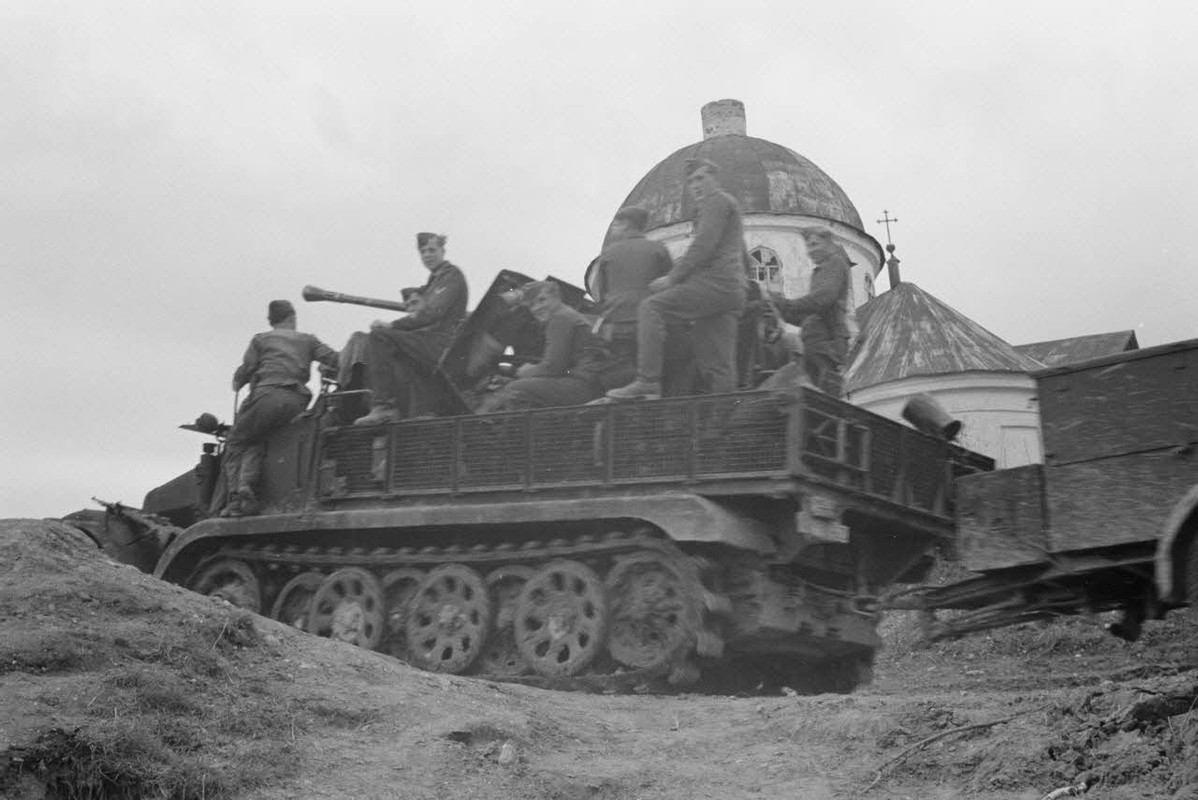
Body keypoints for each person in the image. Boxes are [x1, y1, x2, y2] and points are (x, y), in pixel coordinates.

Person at [606, 158, 746, 400]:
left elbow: (704, 246)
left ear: (714, 177)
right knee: (718, 365)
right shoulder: (728, 207)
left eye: (701, 178)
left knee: (651, 307)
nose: (695, 185)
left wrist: (672, 278)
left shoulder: (715, 201)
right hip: (730, 291)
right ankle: (723, 424)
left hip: (714, 284)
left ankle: (648, 381)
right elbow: (742, 254)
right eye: (691, 181)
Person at [223, 300, 340, 517]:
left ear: (271, 320)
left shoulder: (261, 340)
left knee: (236, 440)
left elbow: (246, 371)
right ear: (292, 318)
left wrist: (238, 380)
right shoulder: (308, 340)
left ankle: (236, 499)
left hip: (267, 396)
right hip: (297, 400)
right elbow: (336, 360)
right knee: (261, 438)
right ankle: (246, 485)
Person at [353, 232, 469, 425]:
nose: (427, 255)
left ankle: (384, 406)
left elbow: (433, 312)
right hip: (430, 342)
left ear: (443, 251)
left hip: (443, 344)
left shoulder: (451, 275)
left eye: (432, 250)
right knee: (390, 347)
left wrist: (392, 326)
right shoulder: (433, 281)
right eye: (423, 251)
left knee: (380, 337)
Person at [479, 281, 608, 412]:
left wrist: (524, 373)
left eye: (542, 300)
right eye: (531, 305)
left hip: (582, 386)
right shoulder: (567, 315)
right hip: (589, 384)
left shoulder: (560, 318)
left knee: (515, 388)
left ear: (556, 296)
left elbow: (552, 367)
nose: (537, 308)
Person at [587, 206, 673, 389]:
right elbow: (670, 288)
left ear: (627, 225)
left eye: (617, 224)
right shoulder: (658, 249)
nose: (613, 228)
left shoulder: (609, 253)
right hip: (651, 329)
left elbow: (601, 294)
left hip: (617, 329)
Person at [769, 226, 852, 396]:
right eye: (808, 246)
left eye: (815, 244)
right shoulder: (821, 271)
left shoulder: (835, 263)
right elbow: (809, 314)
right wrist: (777, 305)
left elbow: (823, 299)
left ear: (828, 243)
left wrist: (785, 305)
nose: (810, 251)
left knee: (824, 394)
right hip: (814, 342)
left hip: (827, 341)